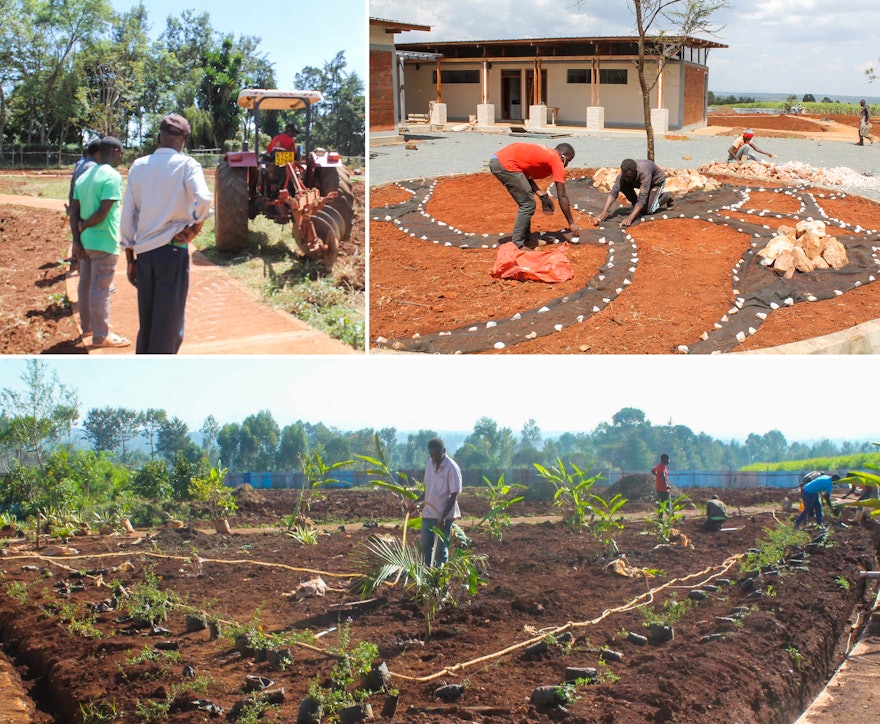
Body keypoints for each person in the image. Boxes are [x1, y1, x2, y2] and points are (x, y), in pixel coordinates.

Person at [120, 114, 213, 354]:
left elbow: (128, 215)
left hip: (143, 256)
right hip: (173, 251)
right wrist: (194, 229)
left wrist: (130, 260)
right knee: (168, 328)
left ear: (159, 136)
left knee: (148, 326)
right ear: (183, 139)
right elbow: (203, 198)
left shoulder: (138, 166)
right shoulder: (186, 165)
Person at [69, 136, 130, 348]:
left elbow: (74, 212)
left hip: (85, 243)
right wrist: (85, 226)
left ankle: (87, 327)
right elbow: (103, 212)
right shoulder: (112, 177)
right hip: (104, 240)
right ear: (113, 151)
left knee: (85, 284)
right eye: (121, 152)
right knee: (101, 288)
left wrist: (77, 239)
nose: (123, 156)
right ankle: (102, 334)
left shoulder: (83, 178)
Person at [488, 142, 581, 248]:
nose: (566, 165)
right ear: (563, 155)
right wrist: (571, 223)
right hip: (505, 164)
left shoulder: (546, 154)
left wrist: (543, 196)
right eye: (568, 161)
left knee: (527, 202)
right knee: (527, 204)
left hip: (502, 161)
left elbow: (525, 177)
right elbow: (562, 195)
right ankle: (517, 245)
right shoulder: (556, 159)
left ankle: (526, 240)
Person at [409, 438, 462, 567]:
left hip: (443, 515)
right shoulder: (430, 464)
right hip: (428, 513)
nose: (433, 458)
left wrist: (443, 517)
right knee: (426, 547)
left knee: (440, 550)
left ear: (443, 451)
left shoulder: (452, 468)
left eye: (436, 455)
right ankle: (427, 575)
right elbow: (429, 490)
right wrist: (415, 503)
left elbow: (454, 495)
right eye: (431, 455)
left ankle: (441, 578)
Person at [594, 158, 674, 229]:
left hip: (656, 183)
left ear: (635, 172)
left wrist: (630, 218)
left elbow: (642, 198)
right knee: (623, 184)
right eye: (624, 176)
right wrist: (604, 211)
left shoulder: (644, 173)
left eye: (629, 177)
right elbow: (614, 192)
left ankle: (666, 197)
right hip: (640, 182)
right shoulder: (624, 175)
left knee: (647, 210)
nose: (626, 179)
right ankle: (635, 205)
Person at [68, 138, 101, 209]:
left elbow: (72, 188)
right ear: (98, 154)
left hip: (77, 208)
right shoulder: (93, 167)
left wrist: (71, 206)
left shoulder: (79, 164)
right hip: (87, 210)